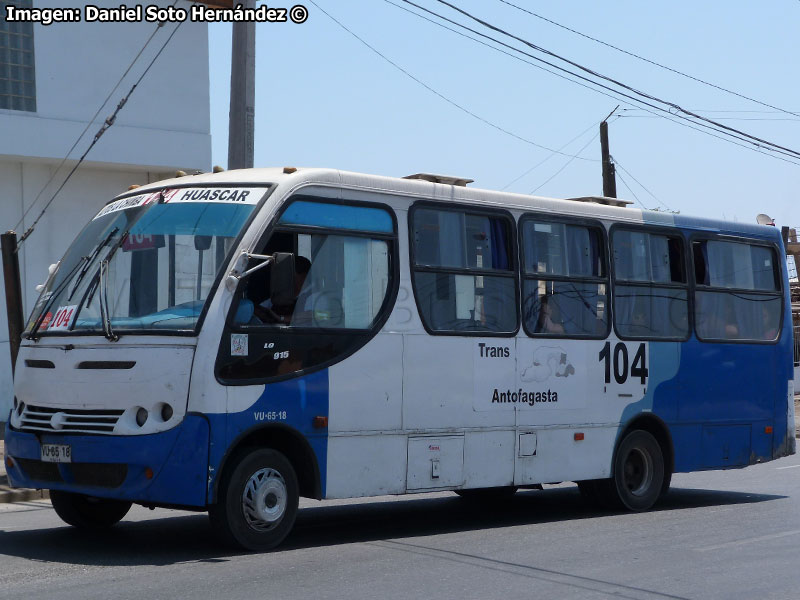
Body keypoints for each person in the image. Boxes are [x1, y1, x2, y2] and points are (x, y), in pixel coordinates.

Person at [253, 256, 312, 325]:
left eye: (288, 273)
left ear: (302, 276)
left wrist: (282, 318)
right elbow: (261, 308)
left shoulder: (315, 296)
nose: (284, 277)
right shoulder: (282, 294)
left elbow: (314, 315)